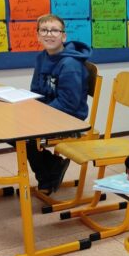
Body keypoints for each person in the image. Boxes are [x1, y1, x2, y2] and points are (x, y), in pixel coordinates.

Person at [28, 14, 91, 194]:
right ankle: (52, 166)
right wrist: (30, 110)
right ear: (38, 36)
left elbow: (68, 104)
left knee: (22, 135)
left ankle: (47, 174)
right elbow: (35, 91)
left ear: (63, 36)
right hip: (50, 113)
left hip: (69, 117)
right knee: (11, 128)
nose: (49, 34)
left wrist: (39, 116)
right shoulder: (41, 58)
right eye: (44, 30)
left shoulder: (70, 65)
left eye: (55, 30)